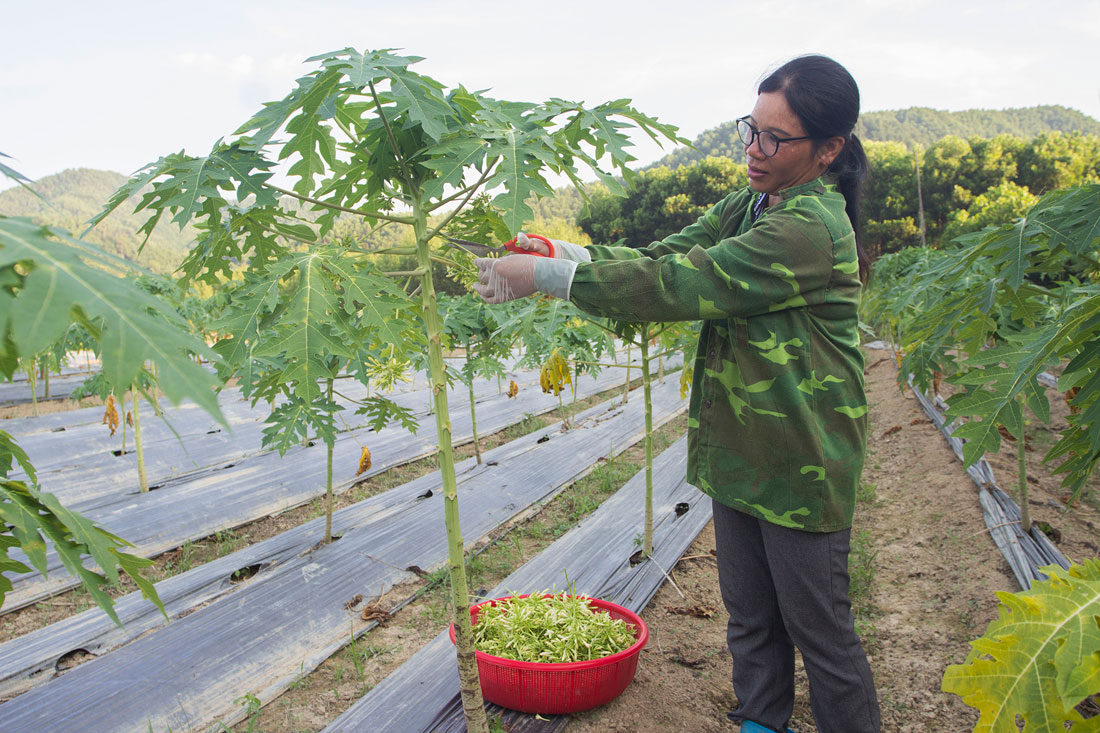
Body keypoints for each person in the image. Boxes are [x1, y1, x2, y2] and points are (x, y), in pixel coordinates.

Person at [473, 54, 880, 733]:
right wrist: (561, 253)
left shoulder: (809, 227)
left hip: (801, 460)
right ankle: (760, 724)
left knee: (821, 633)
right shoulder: (751, 204)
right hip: (742, 450)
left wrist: (547, 281)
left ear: (828, 149)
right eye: (751, 129)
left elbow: (685, 284)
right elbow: (663, 255)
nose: (754, 149)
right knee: (751, 619)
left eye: (775, 138)